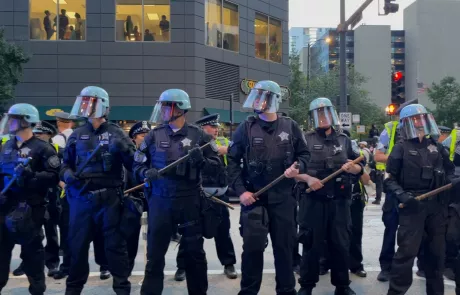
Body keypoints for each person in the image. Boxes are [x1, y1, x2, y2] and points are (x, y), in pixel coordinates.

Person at [133, 89, 221, 295]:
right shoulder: (153, 136)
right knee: (155, 256)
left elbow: (217, 168)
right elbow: (136, 164)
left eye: (167, 106)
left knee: (194, 255)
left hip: (189, 201)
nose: (163, 111)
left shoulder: (199, 135)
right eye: (162, 106)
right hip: (160, 202)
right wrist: (146, 172)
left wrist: (203, 161)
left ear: (180, 109)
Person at [227, 80, 310, 295]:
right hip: (254, 199)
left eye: (262, 97)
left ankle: (287, 291)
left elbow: (304, 155)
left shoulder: (291, 126)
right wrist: (241, 192)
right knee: (252, 251)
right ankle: (248, 292)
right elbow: (232, 162)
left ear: (273, 100)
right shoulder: (245, 128)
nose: (258, 102)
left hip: (283, 200)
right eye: (256, 96)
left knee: (285, 251)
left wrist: (298, 166)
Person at [61, 86, 134, 295]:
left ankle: (122, 289)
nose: (86, 107)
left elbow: (134, 166)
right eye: (84, 102)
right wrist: (67, 176)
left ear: (101, 105)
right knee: (77, 249)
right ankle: (72, 290)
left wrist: (124, 150)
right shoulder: (76, 134)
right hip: (81, 198)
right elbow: (65, 165)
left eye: (90, 102)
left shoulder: (117, 133)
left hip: (110, 199)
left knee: (115, 250)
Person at [384, 104, 455, 295]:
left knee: (436, 256)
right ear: (407, 123)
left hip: (436, 209)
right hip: (412, 207)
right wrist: (403, 196)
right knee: (406, 254)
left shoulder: (437, 148)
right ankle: (396, 292)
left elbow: (450, 173)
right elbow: (388, 180)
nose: (420, 124)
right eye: (415, 120)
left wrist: (454, 182)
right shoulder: (401, 148)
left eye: (422, 119)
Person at [295, 97, 362, 295]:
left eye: (325, 113)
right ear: (312, 118)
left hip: (340, 201)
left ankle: (342, 285)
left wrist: (352, 168)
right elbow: (292, 170)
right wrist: (307, 178)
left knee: (341, 243)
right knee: (310, 243)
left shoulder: (344, 139)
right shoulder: (304, 140)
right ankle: (306, 286)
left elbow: (360, 168)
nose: (323, 118)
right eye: (318, 114)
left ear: (332, 115)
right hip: (312, 201)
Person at [0, 103, 61, 295]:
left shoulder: (43, 148)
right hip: (5, 207)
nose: (9, 122)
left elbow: (54, 177)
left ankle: (37, 290)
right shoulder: (6, 146)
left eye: (13, 118)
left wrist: (31, 176)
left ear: (26, 121)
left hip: (30, 209)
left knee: (33, 257)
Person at [174, 114, 238, 281]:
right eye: (212, 126)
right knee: (190, 234)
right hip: (198, 196)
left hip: (220, 195)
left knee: (223, 231)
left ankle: (228, 263)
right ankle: (182, 267)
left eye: (217, 126)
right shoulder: (191, 143)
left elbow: (236, 149)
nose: (216, 129)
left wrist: (227, 150)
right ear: (202, 128)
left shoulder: (221, 142)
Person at [374, 99, 420, 281]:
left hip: (417, 189)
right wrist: (399, 160)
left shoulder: (425, 132)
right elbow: (377, 155)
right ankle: (386, 267)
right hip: (394, 187)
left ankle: (422, 266)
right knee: (391, 228)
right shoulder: (391, 130)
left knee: (419, 230)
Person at [125, 120, 152, 273]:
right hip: (133, 199)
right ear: (133, 139)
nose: (146, 138)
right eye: (142, 135)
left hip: (152, 199)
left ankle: (152, 270)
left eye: (148, 135)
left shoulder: (156, 155)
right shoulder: (129, 157)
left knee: (154, 237)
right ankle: (127, 269)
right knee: (130, 237)